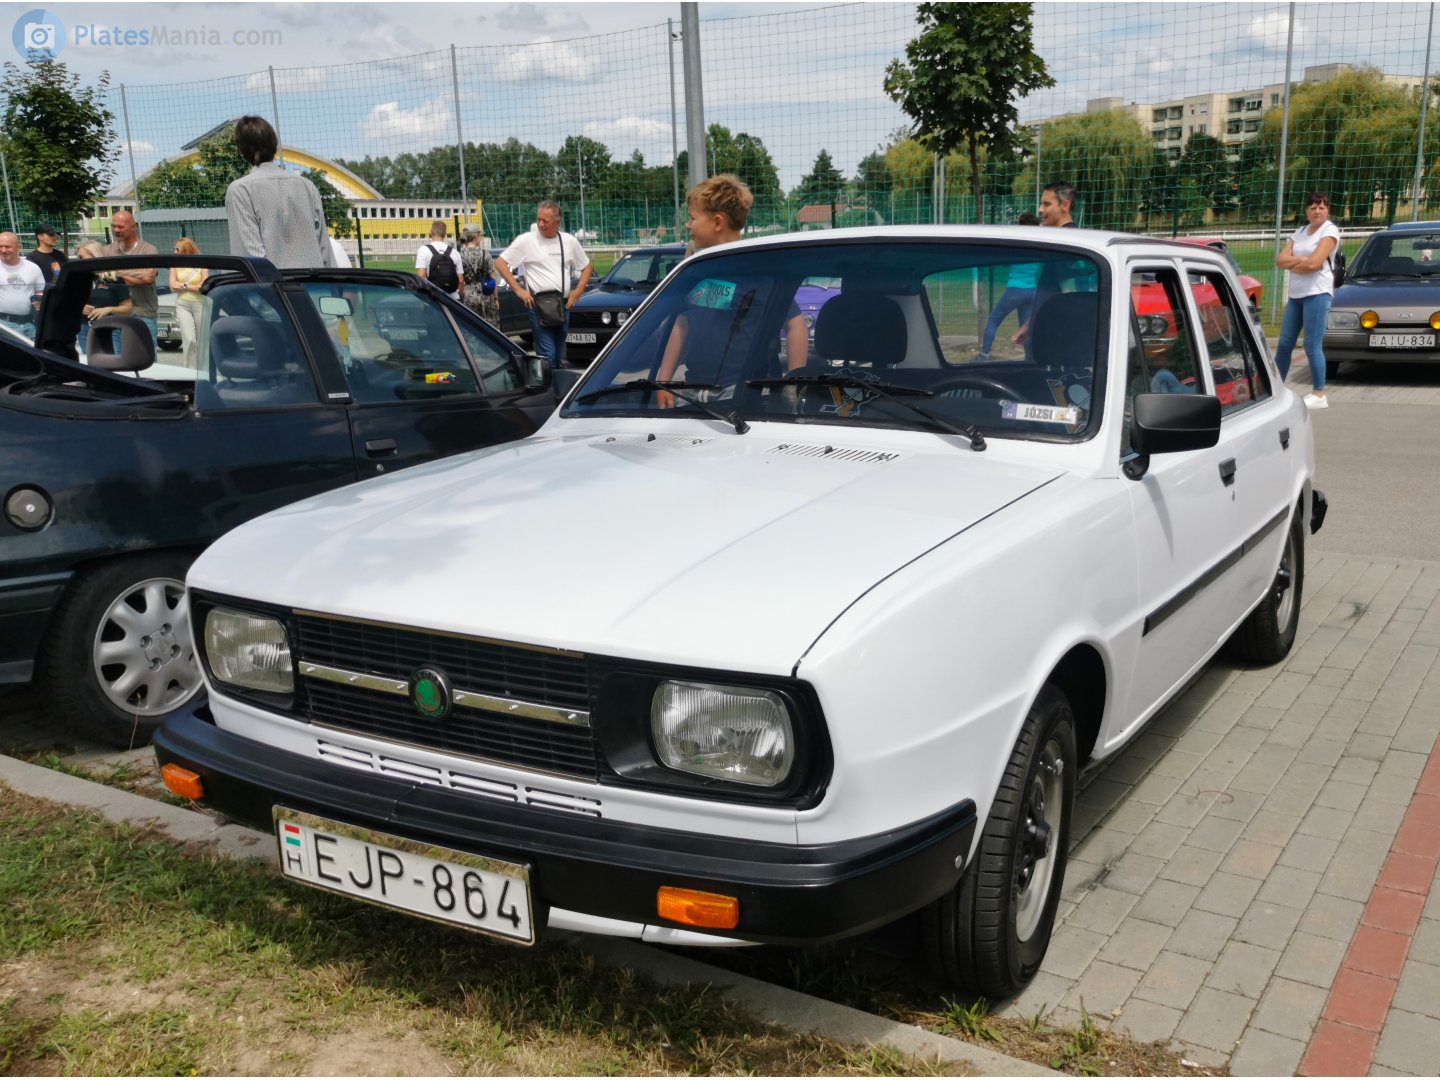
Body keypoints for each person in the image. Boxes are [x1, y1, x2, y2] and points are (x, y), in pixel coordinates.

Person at [655, 174, 807, 408]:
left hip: (744, 398)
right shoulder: (697, 270)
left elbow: (795, 324)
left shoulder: (757, 271)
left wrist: (794, 383)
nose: (688, 225)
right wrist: (663, 380)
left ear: (717, 222)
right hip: (694, 393)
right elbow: (681, 324)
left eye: (692, 218)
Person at [224, 115, 334, 269]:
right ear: (275, 146)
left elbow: (252, 260)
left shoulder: (240, 191)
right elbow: (324, 250)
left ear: (242, 151)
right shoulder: (308, 186)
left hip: (273, 290)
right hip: (315, 288)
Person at [496, 201, 592, 368]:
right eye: (538, 219)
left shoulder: (569, 241)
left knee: (560, 355)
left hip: (563, 305)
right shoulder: (526, 240)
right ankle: (550, 390)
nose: (540, 224)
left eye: (545, 221)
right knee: (548, 354)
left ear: (557, 222)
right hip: (538, 307)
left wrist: (577, 292)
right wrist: (518, 290)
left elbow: (587, 266)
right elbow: (501, 263)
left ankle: (558, 389)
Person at [1274, 191, 1341, 409]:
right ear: (1307, 211)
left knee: (1312, 344)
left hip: (1318, 292)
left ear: (1327, 209)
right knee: (1284, 344)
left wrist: (1298, 263)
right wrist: (1302, 260)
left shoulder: (1329, 231)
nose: (1317, 211)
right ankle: (1276, 389)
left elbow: (1315, 264)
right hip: (1296, 294)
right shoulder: (1300, 231)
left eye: (1321, 207)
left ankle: (1319, 393)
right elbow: (1280, 260)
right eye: (1313, 207)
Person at [1012, 182, 1081, 353]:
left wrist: (1063, 344)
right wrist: (1029, 325)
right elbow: (1050, 293)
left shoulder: (1064, 244)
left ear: (1065, 205)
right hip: (1046, 338)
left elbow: (1069, 296)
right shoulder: (1068, 240)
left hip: (1052, 345)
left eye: (1047, 204)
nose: (1040, 210)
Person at [977, 211, 1040, 361]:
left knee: (993, 320)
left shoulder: (1018, 244)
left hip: (1015, 290)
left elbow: (1004, 261)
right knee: (1026, 326)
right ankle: (1030, 358)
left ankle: (984, 354)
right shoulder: (1039, 244)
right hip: (1032, 291)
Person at [102, 209, 160, 343]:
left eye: (121, 226)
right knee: (118, 358)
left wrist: (116, 273)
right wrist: (135, 274)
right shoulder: (107, 251)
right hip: (116, 313)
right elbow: (103, 278)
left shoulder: (148, 250)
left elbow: (147, 278)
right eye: (113, 226)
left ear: (133, 226)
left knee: (145, 357)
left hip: (143, 312)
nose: (116, 230)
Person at [74, 240, 132, 354]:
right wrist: (79, 307)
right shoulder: (78, 279)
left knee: (114, 363)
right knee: (89, 365)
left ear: (94, 256)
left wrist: (108, 309)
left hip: (111, 328)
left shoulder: (113, 279)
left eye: (82, 257)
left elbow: (128, 308)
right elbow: (67, 303)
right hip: (84, 328)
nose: (79, 261)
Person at [168, 238, 207, 369]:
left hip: (200, 303)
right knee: (189, 339)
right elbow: (172, 286)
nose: (174, 251)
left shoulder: (201, 263)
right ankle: (190, 372)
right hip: (182, 304)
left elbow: (203, 286)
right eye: (174, 248)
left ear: (186, 249)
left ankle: (205, 371)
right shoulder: (174, 265)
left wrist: (183, 285)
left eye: (177, 249)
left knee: (203, 339)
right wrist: (191, 286)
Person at [0, 231, 46, 333]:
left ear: (18, 247)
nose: (3, 250)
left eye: (7, 247)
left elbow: (41, 290)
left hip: (31, 324)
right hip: (4, 324)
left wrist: (39, 300)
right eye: (0, 246)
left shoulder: (32, 268)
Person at [459, 223, 501, 329]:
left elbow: (460, 280)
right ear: (476, 236)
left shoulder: (460, 256)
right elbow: (493, 278)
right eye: (480, 236)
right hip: (486, 294)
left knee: (472, 328)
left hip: (468, 295)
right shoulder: (485, 254)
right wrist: (496, 298)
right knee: (491, 327)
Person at [415, 220, 464, 300]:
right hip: (453, 298)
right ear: (444, 234)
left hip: (432, 297)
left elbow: (421, 275)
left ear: (430, 233)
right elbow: (461, 281)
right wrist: (459, 296)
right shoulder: (455, 252)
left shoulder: (423, 250)